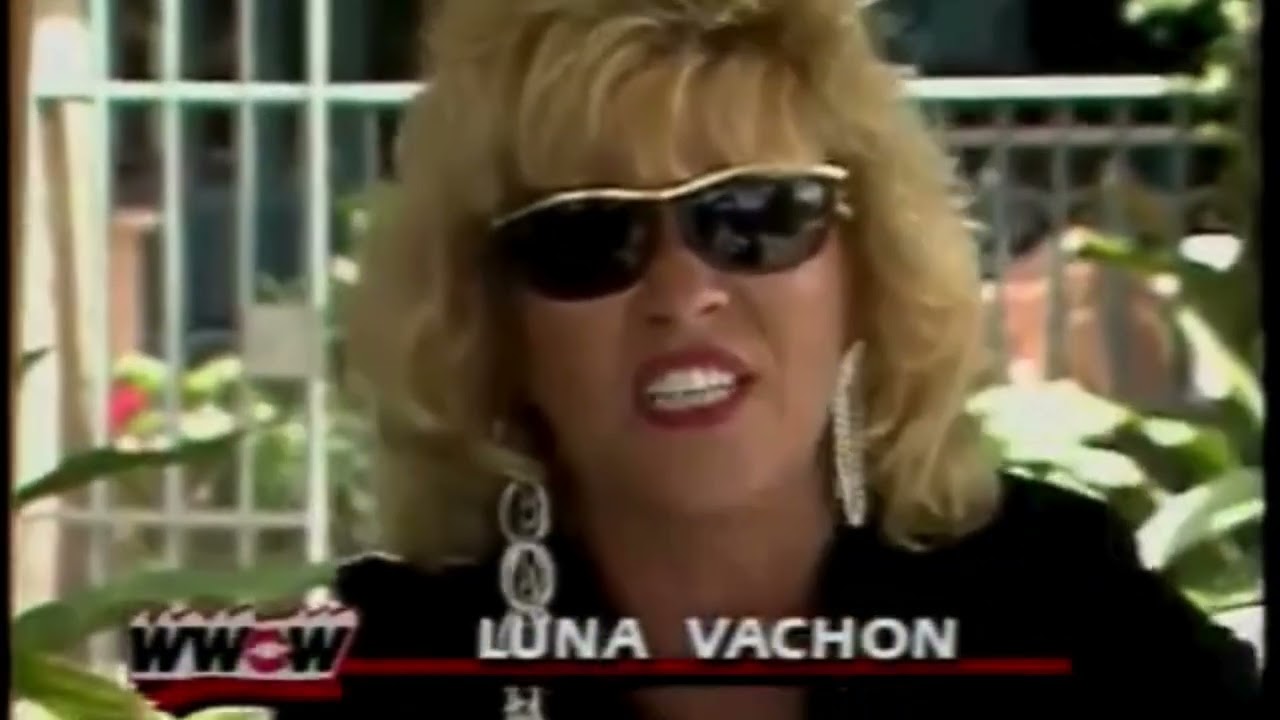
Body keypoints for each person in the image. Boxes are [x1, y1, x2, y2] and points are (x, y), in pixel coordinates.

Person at [275, 0, 1260, 717]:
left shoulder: (1055, 605)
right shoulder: (398, 668)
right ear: (490, 319)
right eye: (585, 236)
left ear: (862, 272)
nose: (683, 293)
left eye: (754, 215)